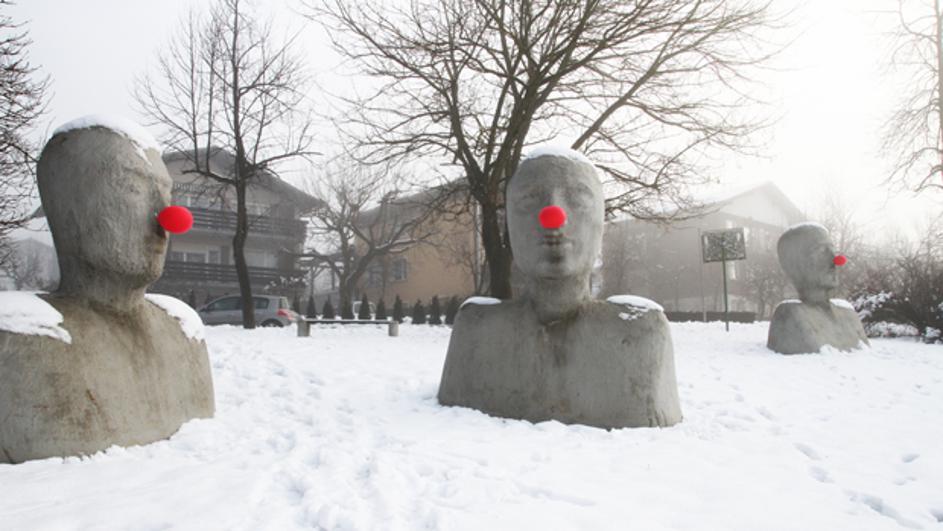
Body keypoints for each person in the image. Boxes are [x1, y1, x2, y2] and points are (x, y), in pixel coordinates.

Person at [0, 118, 215, 463]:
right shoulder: (18, 341)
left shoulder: (183, 332)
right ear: (64, 204)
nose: (167, 217)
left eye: (167, 193)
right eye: (132, 188)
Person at [437, 148, 682, 429]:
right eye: (529, 200)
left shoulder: (640, 334)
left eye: (578, 199)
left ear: (600, 222)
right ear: (510, 224)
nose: (553, 216)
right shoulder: (476, 333)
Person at [767, 222, 869, 354]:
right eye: (821, 250)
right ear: (793, 264)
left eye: (832, 249)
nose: (835, 259)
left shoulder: (847, 313)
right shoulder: (791, 315)